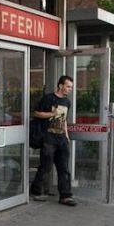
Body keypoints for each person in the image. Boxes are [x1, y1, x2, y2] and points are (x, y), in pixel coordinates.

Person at [30, 75, 77, 206]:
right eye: (68, 86)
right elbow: (37, 113)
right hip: (48, 137)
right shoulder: (48, 98)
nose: (69, 89)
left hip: (61, 137)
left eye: (71, 87)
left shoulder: (67, 102)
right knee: (46, 166)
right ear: (60, 85)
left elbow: (64, 120)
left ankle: (65, 195)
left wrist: (67, 136)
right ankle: (37, 191)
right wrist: (52, 114)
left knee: (63, 167)